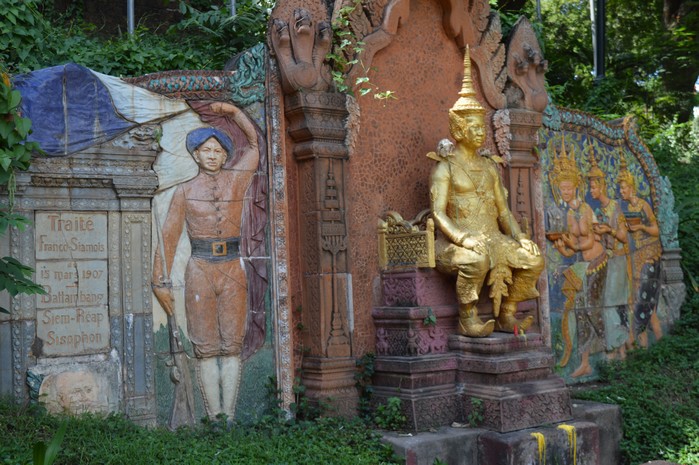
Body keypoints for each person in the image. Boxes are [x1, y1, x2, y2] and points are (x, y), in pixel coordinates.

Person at [152, 102, 260, 419]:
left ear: (225, 156)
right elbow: (169, 238)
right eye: (205, 150)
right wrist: (160, 280)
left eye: (217, 150)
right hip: (198, 270)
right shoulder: (184, 191)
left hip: (232, 269)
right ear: (196, 155)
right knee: (206, 348)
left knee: (231, 346)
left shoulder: (237, 180)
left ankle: (229, 413)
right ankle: (214, 417)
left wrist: (232, 112)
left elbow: (254, 144)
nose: (212, 155)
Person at [429, 47, 544, 338]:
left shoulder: (490, 167)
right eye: (474, 126)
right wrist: (463, 237)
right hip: (454, 244)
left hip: (493, 237)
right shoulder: (445, 168)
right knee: (476, 260)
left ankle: (507, 314)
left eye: (482, 126)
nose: (481, 132)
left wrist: (520, 237)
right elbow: (438, 213)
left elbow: (504, 212)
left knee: (534, 259)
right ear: (459, 129)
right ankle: (467, 319)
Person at [548, 141, 607, 378]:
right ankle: (585, 362)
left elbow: (590, 242)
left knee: (592, 308)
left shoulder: (584, 210)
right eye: (562, 189)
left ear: (576, 187)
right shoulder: (568, 215)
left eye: (569, 188)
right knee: (580, 310)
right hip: (584, 264)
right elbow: (573, 252)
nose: (565, 192)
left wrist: (571, 244)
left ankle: (607, 350)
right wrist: (562, 247)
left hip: (598, 262)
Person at [587, 148, 631, 359]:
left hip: (619, 260)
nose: (591, 190)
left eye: (593, 186)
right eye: (590, 186)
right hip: (607, 260)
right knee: (604, 303)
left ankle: (616, 347)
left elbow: (624, 237)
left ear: (602, 186)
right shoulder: (597, 211)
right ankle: (617, 346)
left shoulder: (615, 207)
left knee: (610, 303)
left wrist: (609, 230)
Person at [617, 157, 663, 348]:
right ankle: (648, 347)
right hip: (636, 256)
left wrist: (642, 227)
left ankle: (647, 342)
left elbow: (656, 230)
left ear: (632, 188)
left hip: (650, 255)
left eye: (624, 188)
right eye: (620, 189)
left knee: (644, 301)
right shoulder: (625, 208)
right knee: (642, 303)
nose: (622, 192)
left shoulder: (643, 205)